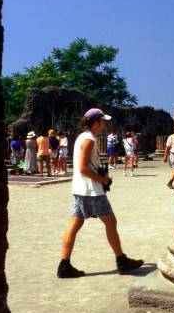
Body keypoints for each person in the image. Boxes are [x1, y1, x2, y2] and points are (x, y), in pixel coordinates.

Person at [57, 108, 144, 278]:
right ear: (96, 122)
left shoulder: (82, 137)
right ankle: (121, 261)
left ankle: (64, 265)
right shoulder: (89, 139)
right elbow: (83, 168)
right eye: (103, 121)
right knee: (111, 221)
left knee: (75, 224)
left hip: (79, 188)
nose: (105, 124)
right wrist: (103, 180)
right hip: (91, 190)